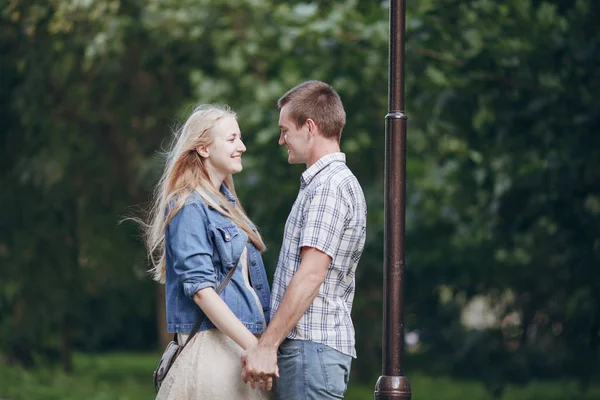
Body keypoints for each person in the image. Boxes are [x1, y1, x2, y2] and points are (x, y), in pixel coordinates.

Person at [241, 81, 367, 399]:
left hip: (310, 350)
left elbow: (312, 273)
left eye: (285, 130)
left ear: (309, 128)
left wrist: (267, 345)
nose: (281, 139)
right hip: (312, 353)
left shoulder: (329, 187)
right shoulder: (329, 183)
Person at [140, 105, 274, 399]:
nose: (242, 146)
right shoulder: (188, 205)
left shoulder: (227, 206)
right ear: (202, 148)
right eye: (231, 139)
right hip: (214, 351)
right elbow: (201, 290)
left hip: (236, 346)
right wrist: (255, 348)